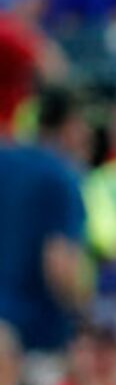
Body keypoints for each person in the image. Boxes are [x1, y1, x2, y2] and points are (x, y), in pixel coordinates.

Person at [0, 133, 91, 356]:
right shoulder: (59, 176)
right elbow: (59, 262)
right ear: (72, 127)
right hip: (33, 339)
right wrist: (83, 314)